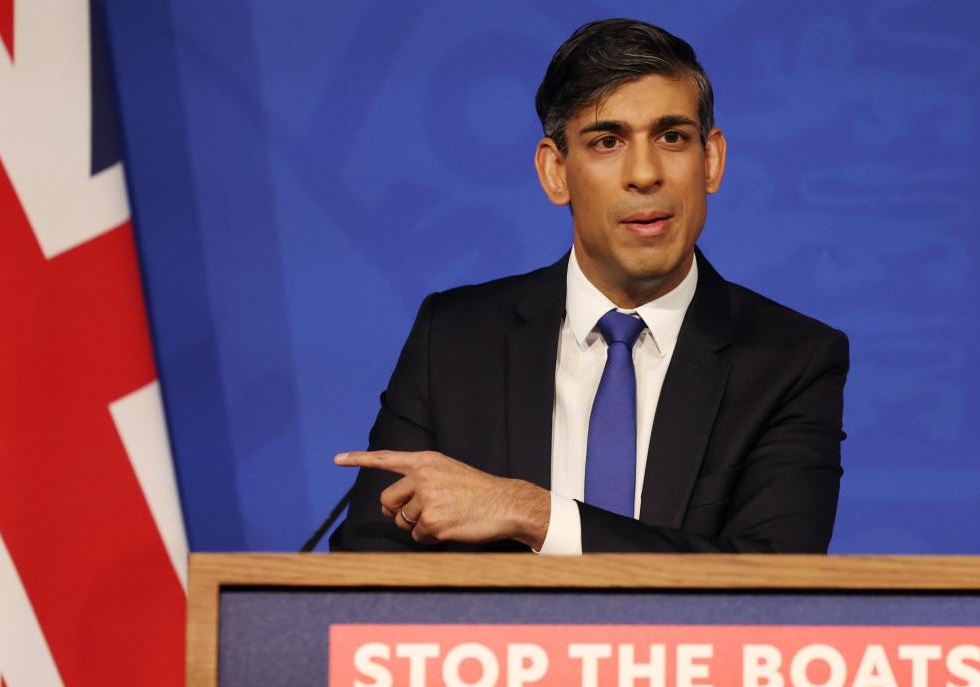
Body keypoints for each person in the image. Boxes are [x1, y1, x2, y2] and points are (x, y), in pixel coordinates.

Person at [330, 19, 847, 554]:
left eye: (672, 137)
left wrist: (532, 513)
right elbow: (368, 567)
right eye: (607, 141)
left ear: (711, 160)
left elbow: (775, 579)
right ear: (556, 172)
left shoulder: (791, 360)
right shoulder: (455, 340)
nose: (645, 173)